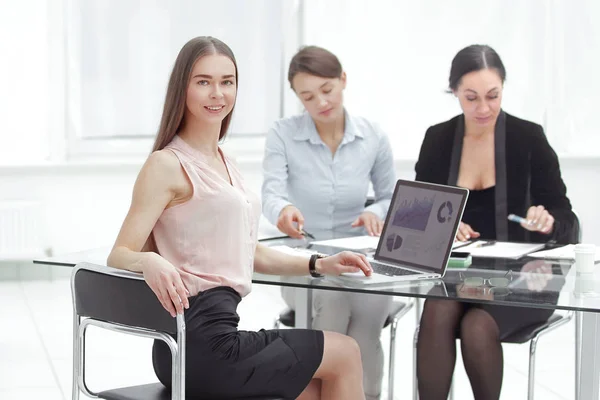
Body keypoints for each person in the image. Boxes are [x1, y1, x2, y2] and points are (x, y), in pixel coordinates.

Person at [106, 36, 372, 400]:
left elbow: (250, 252)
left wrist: (320, 263)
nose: (218, 93)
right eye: (204, 82)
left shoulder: (223, 161)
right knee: (345, 353)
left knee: (314, 392)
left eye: (227, 82)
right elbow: (119, 253)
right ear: (182, 87)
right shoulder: (166, 164)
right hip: (200, 344)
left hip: (211, 340)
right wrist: (149, 260)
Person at [414, 44, 577, 400]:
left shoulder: (528, 138)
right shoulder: (438, 140)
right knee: (437, 308)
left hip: (525, 277)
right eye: (471, 98)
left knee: (476, 325)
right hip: (460, 274)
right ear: (454, 91)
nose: (483, 108)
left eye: (493, 96)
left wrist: (548, 222)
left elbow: (568, 219)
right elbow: (415, 219)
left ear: (503, 87)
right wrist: (443, 227)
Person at [262, 46, 396, 400]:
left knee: (366, 329)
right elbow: (271, 194)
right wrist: (284, 210)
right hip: (304, 261)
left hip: (362, 261)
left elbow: (392, 199)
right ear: (297, 98)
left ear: (343, 80)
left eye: (327, 89)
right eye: (307, 96)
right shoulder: (283, 134)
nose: (320, 101)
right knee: (332, 307)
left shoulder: (373, 136)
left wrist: (376, 213)